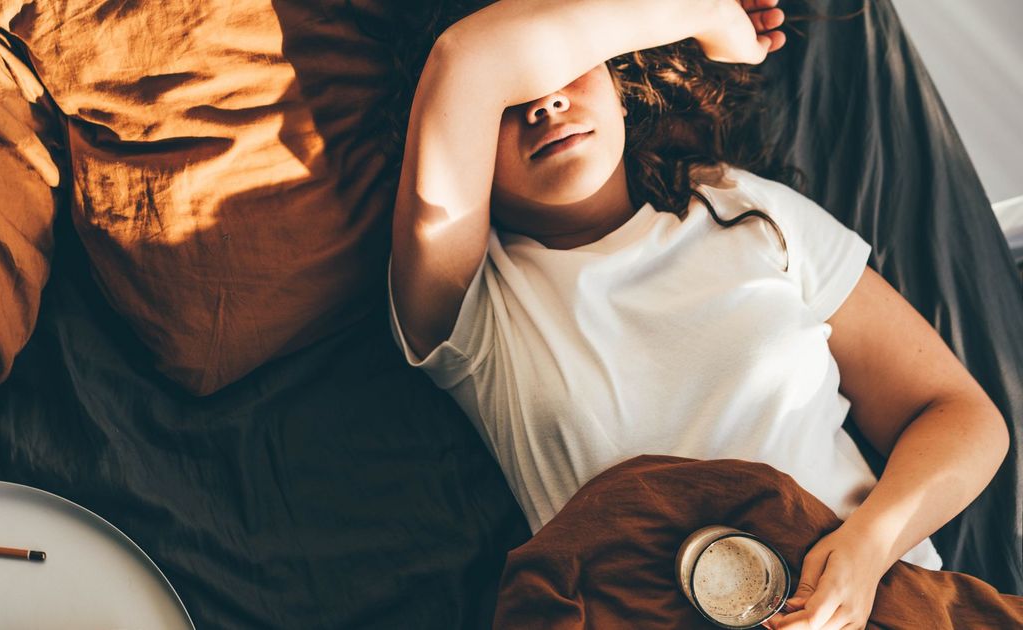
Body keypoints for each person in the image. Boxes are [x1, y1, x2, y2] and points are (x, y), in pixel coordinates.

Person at [386, 0, 1010, 628]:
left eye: (570, 67)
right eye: (508, 100)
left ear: (620, 88)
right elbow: (467, 59)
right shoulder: (471, 306)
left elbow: (960, 415)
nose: (544, 104)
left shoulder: (741, 207)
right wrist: (710, 16)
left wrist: (868, 548)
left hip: (875, 599)